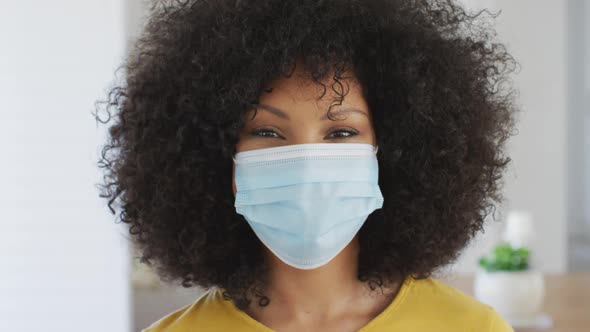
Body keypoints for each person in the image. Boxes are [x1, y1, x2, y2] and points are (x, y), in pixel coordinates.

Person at [95, 0, 519, 331]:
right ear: (214, 156)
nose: (307, 163)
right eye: (267, 132)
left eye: (340, 133)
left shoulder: (473, 328)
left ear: (393, 151)